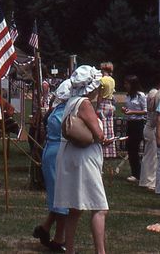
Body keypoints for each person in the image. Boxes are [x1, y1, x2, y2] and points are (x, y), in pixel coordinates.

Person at [54, 65, 114, 254]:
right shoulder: (84, 103)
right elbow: (97, 134)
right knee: (100, 207)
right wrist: (105, 138)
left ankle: (70, 249)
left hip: (69, 155)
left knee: (75, 208)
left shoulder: (71, 101)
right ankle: (100, 251)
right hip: (84, 159)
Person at [33, 80, 71, 252]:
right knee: (62, 199)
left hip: (54, 154)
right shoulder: (63, 114)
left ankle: (45, 228)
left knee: (61, 198)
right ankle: (58, 238)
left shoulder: (57, 111)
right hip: (58, 155)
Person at [122, 75, 147, 183]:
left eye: (127, 83)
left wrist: (132, 112)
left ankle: (138, 173)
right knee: (130, 148)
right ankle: (135, 172)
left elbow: (145, 111)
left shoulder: (140, 95)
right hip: (130, 123)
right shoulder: (128, 96)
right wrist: (126, 110)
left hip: (138, 123)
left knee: (135, 147)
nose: (125, 86)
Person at [140, 79, 159, 190]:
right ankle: (149, 181)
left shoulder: (152, 92)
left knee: (149, 156)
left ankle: (146, 180)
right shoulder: (156, 94)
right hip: (152, 128)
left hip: (149, 127)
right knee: (152, 157)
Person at [97, 61, 117, 159]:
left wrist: (97, 107)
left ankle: (102, 150)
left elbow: (100, 95)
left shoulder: (102, 80)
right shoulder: (112, 80)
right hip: (110, 104)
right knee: (110, 128)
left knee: (102, 127)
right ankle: (110, 151)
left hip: (103, 104)